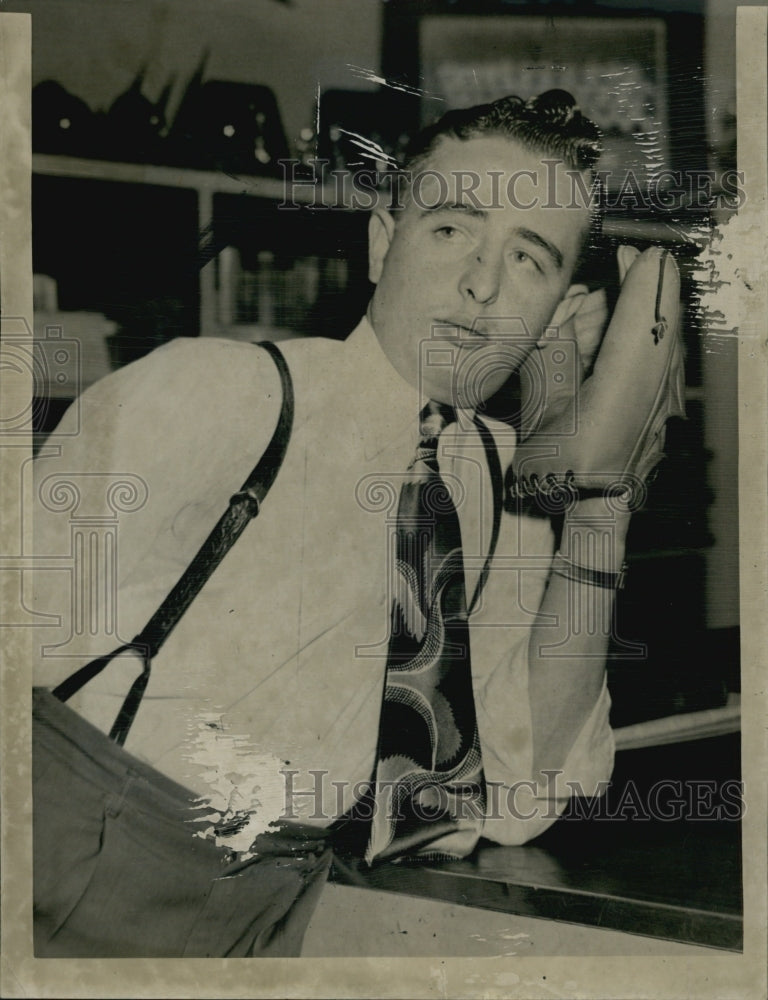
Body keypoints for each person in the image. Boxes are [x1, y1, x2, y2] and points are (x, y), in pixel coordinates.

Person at [31, 90, 683, 955]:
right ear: (383, 242)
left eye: (530, 261)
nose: (483, 286)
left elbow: (525, 790)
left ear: (559, 305)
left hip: (275, 912)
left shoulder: (490, 476)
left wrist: (602, 507)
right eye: (452, 230)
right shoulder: (218, 394)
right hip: (84, 876)